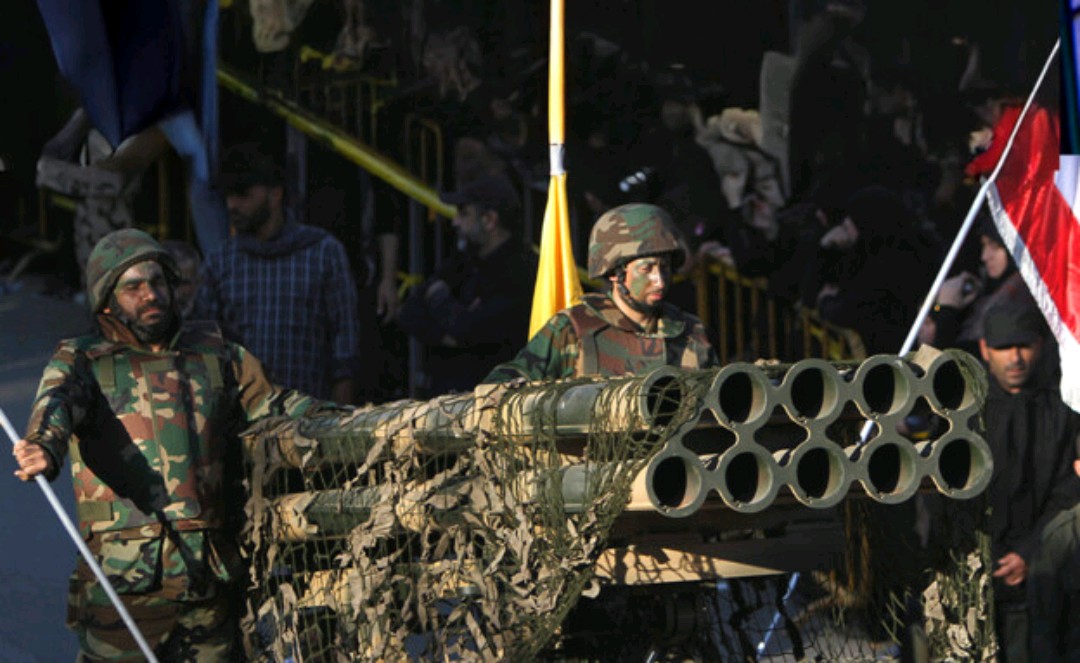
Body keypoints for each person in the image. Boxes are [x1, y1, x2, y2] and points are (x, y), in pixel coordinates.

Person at [11, 228, 344, 661]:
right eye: (133, 287)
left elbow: (277, 406)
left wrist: (348, 421)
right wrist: (42, 446)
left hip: (208, 582)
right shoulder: (83, 360)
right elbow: (56, 405)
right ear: (106, 300)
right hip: (126, 589)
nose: (150, 294)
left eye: (157, 282)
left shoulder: (216, 353)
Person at [195, 143, 360, 403]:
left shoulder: (322, 252)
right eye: (229, 196)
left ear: (275, 195)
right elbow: (205, 345)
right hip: (243, 413)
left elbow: (345, 347)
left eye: (243, 195)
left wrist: (342, 416)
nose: (232, 205)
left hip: (309, 411)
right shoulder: (221, 261)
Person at [485, 203, 718, 381]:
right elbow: (504, 386)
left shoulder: (691, 332)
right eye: (646, 269)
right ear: (615, 273)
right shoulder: (573, 329)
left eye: (664, 267)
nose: (659, 280)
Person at [978, 302, 1080, 662]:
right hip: (977, 570)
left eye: (1023, 346)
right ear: (985, 349)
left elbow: (1068, 488)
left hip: (1045, 576)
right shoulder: (967, 413)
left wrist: (1029, 551)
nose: (1015, 358)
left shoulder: (1063, 410)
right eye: (1004, 347)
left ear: (1039, 345)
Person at [397, 174, 535, 395]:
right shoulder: (463, 261)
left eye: (464, 213)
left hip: (494, 397)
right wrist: (450, 333)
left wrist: (440, 301)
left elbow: (473, 331)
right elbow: (409, 313)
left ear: (489, 220)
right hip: (448, 394)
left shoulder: (521, 271)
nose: (455, 222)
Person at [161, 239, 202, 319]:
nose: (177, 294)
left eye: (184, 284)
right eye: (169, 283)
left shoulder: (211, 317)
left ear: (198, 282)